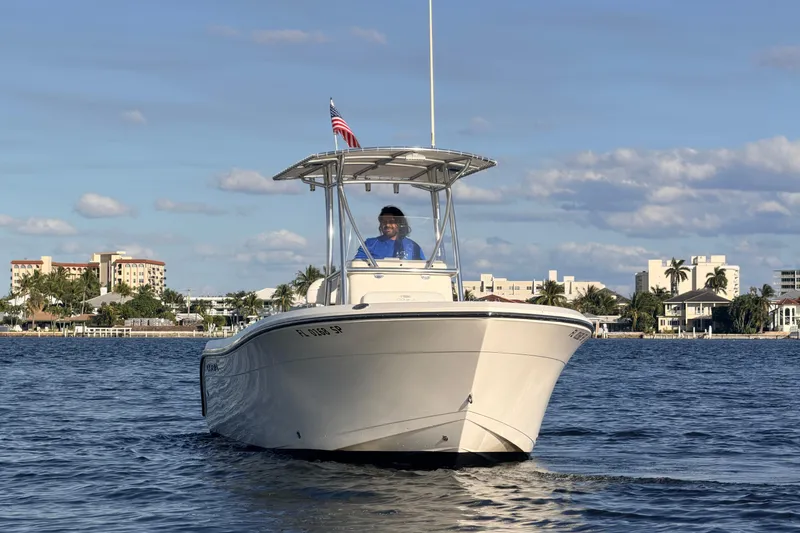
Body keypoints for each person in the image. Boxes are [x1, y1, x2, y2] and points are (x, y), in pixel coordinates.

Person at [354, 205, 425, 260]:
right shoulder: (369, 244)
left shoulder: (413, 246)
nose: (387, 225)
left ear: (400, 224)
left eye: (391, 222)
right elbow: (357, 266)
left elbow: (422, 271)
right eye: (384, 222)